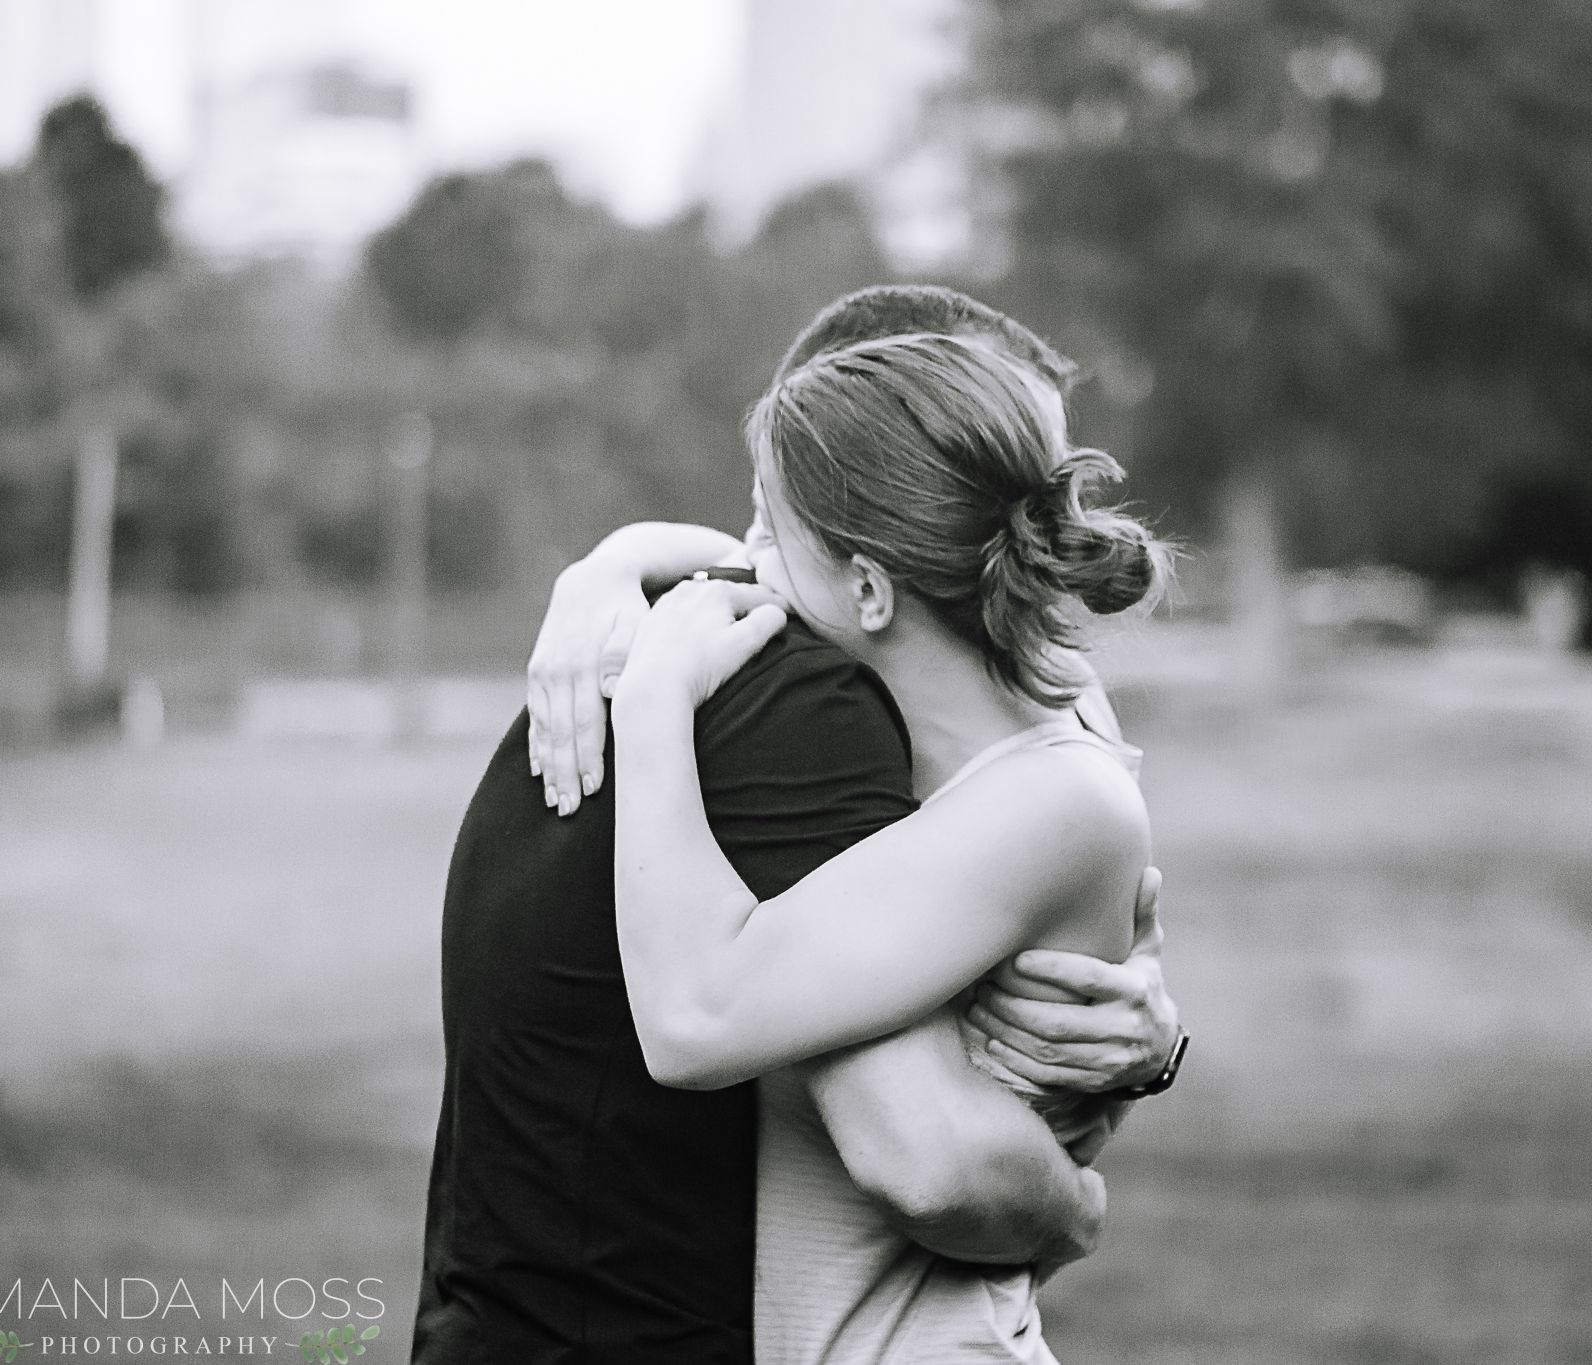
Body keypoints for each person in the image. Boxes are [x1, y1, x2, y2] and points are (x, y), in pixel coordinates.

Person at [413, 289, 1184, 1365]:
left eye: (771, 527)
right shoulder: (884, 709)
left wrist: (652, 708)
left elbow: (899, 1139)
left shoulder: (975, 758)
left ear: (873, 574)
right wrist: (614, 562)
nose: (739, 560)